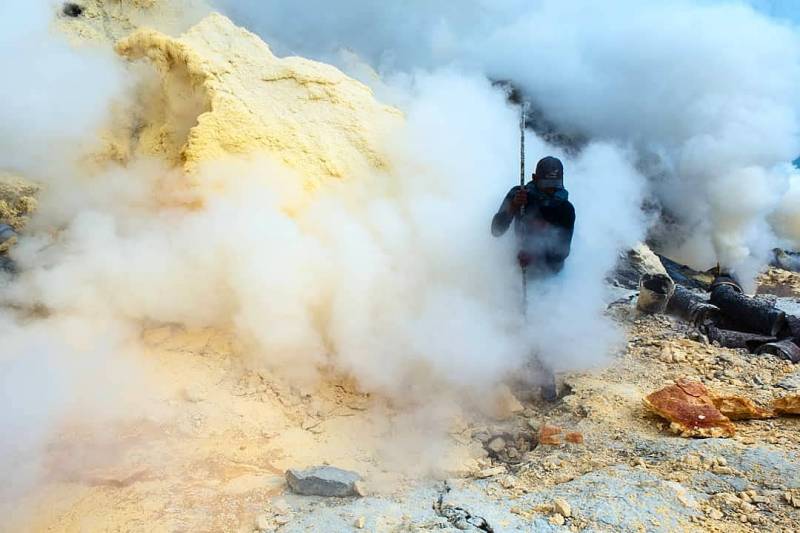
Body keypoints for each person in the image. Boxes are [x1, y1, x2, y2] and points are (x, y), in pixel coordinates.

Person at [491, 156, 575, 278]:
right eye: (546, 184)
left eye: (555, 185)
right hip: (518, 263)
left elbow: (562, 254)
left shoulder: (565, 209)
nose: (551, 190)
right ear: (535, 178)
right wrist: (513, 207)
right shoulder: (518, 195)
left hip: (548, 275)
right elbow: (496, 231)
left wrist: (537, 250)